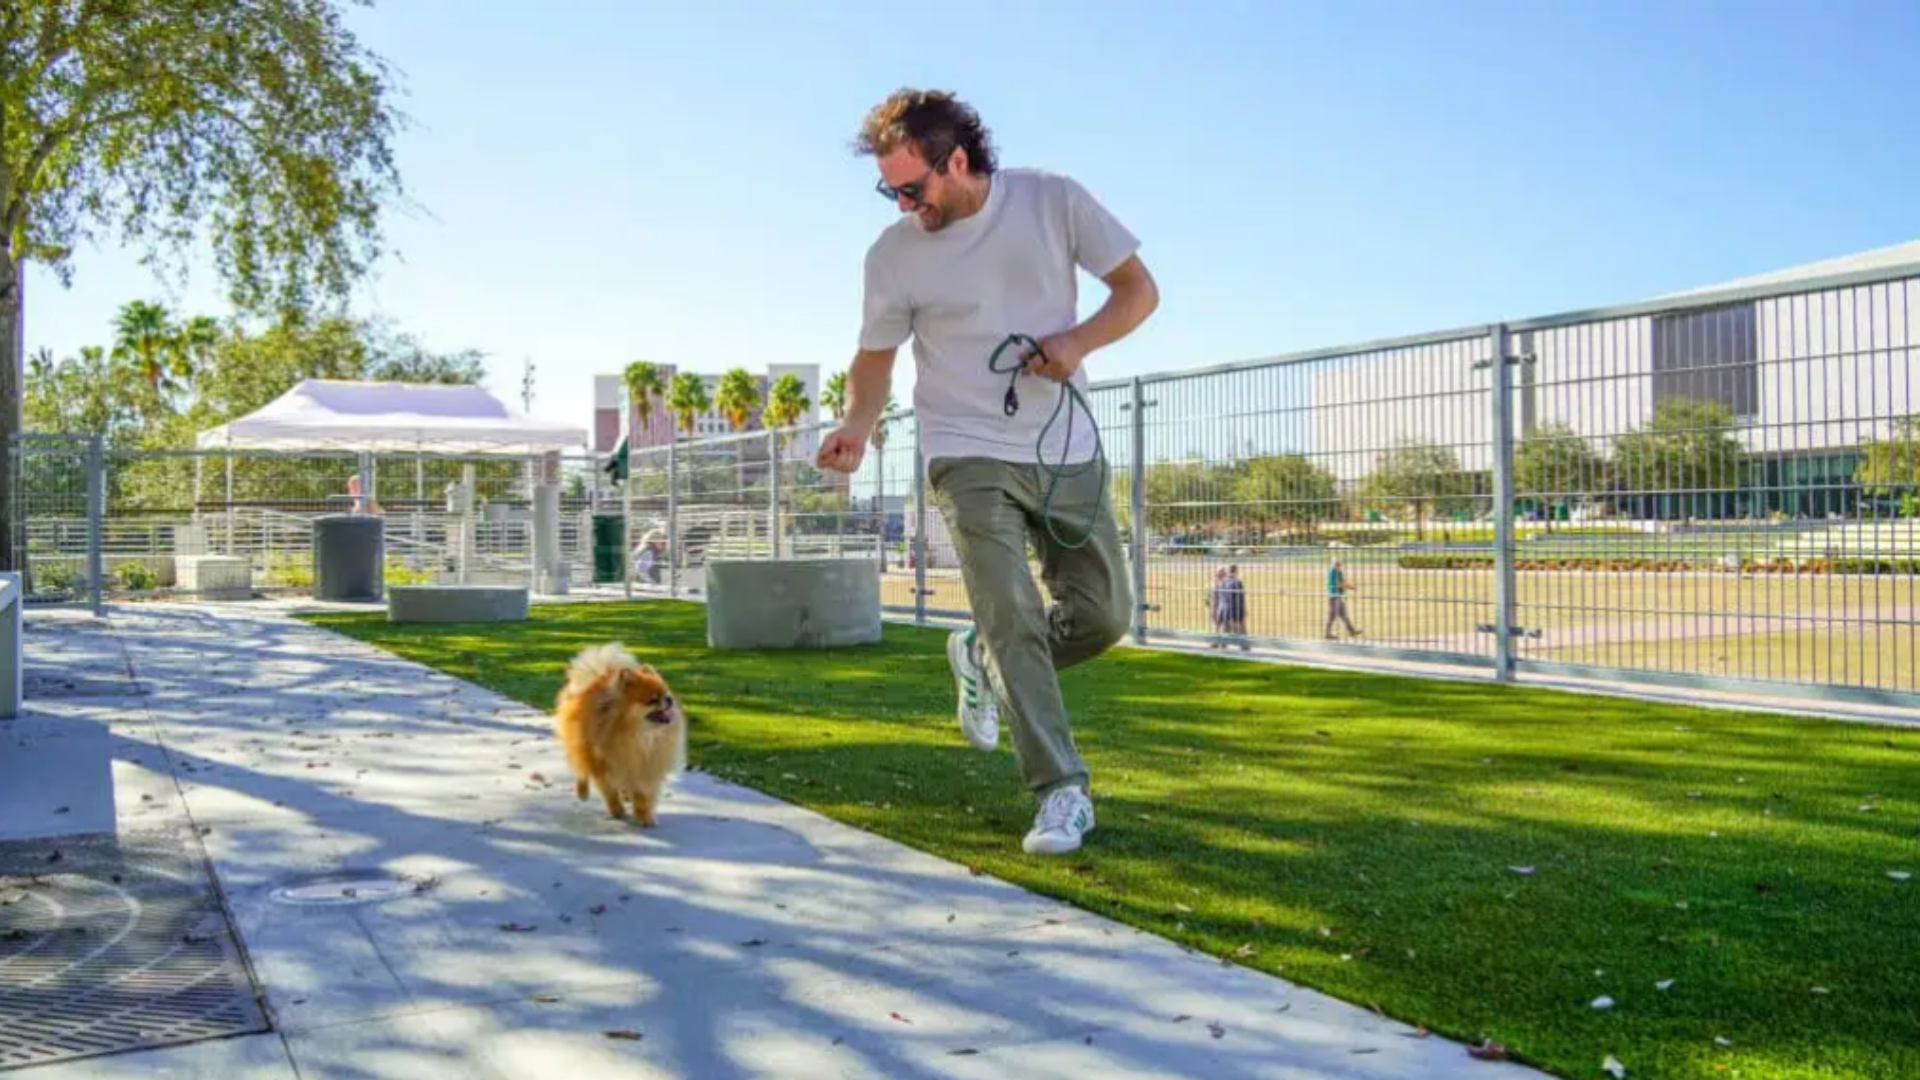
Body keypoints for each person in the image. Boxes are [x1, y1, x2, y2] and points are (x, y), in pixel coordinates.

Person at [816, 88, 1159, 856]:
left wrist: (1076, 344)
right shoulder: (894, 253)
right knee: (1010, 611)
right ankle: (1061, 791)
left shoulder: (1053, 201)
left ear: (958, 160)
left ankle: (981, 655)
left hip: (1062, 442)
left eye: (913, 187)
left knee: (1105, 615)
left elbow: (1138, 292)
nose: (904, 205)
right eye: (890, 190)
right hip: (963, 448)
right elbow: (875, 358)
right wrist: (856, 427)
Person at [1325, 558, 1361, 639]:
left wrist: (1349, 586)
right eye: (1339, 562)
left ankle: (1351, 631)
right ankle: (1328, 634)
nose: (1341, 564)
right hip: (1335, 596)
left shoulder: (1333, 571)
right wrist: (1351, 587)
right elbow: (1339, 583)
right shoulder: (1336, 571)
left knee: (1339, 615)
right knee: (1336, 615)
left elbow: (1341, 582)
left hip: (1334, 595)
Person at [1222, 564, 1250, 651]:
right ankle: (1245, 646)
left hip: (1226, 607)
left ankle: (1223, 645)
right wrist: (1244, 609)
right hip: (1236, 608)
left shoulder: (1223, 581)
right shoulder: (1238, 582)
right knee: (1241, 628)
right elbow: (1241, 597)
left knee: (1226, 628)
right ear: (1236, 571)